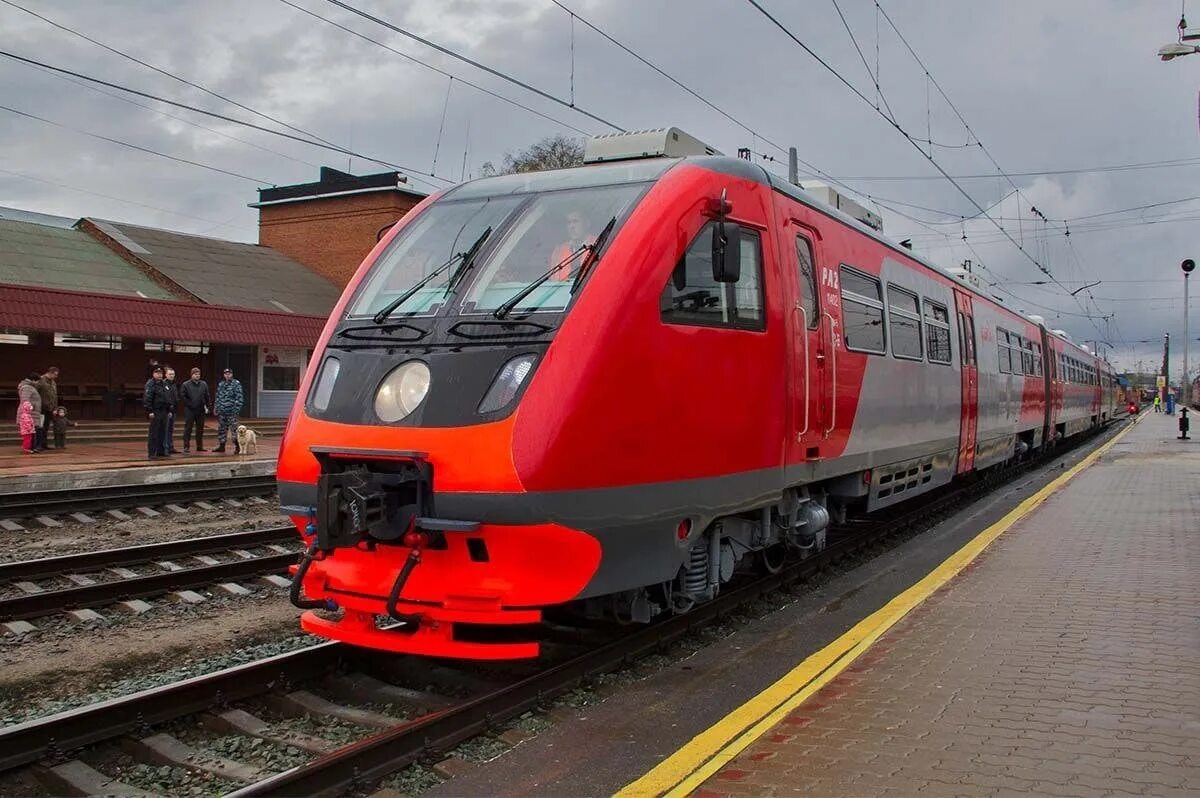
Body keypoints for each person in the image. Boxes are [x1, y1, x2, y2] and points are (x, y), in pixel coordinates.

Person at [547, 210, 595, 280]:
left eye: (575, 222)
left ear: (587, 223)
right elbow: (553, 280)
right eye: (569, 223)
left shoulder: (599, 244)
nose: (571, 226)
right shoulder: (559, 251)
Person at [179, 367, 210, 453]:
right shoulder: (186, 384)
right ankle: (186, 446)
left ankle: (199, 446)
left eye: (199, 374)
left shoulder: (204, 384)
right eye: (195, 374)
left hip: (201, 410)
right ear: (192, 375)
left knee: (200, 429)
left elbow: (207, 396)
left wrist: (207, 406)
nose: (197, 376)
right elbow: (183, 396)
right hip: (190, 410)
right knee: (188, 428)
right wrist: (190, 404)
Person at [143, 366, 171, 460]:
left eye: (161, 373)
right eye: (157, 373)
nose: (159, 375)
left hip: (164, 411)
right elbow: (148, 398)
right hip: (155, 411)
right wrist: (149, 410)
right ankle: (152, 453)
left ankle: (161, 451)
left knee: (162, 432)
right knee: (154, 433)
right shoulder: (151, 384)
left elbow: (168, 397)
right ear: (153, 374)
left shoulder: (164, 384)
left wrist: (169, 409)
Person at [213, 367, 244, 454]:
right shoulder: (221, 384)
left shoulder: (236, 384)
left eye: (229, 374)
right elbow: (218, 397)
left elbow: (239, 398)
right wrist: (216, 408)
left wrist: (236, 409)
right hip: (222, 411)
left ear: (232, 374)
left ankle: (238, 447)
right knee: (222, 429)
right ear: (224, 375)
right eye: (226, 374)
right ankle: (221, 446)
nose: (227, 375)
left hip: (231, 411)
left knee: (234, 430)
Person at [34, 366, 59, 452]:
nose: (56, 376)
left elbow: (55, 395)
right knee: (40, 426)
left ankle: (44, 444)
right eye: (55, 374)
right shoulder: (41, 380)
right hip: (42, 408)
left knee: (46, 427)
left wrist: (55, 407)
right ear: (50, 373)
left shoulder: (53, 382)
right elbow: (35, 392)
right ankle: (38, 445)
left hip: (50, 408)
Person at [160, 366, 181, 455]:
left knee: (171, 430)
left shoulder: (174, 384)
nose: (172, 376)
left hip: (173, 410)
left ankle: (171, 446)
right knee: (165, 430)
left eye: (173, 374)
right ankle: (165, 448)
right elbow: (165, 398)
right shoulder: (163, 384)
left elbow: (175, 397)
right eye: (170, 374)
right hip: (167, 410)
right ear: (166, 375)